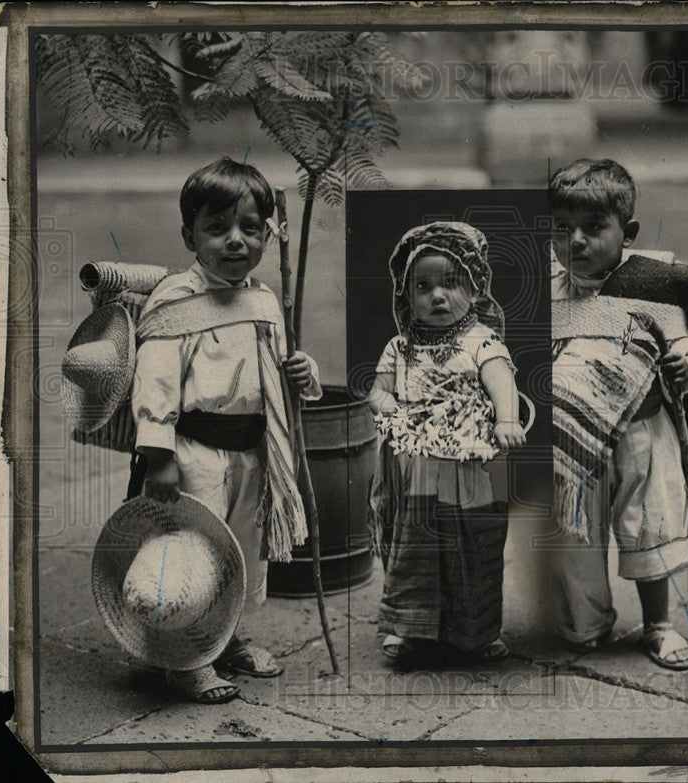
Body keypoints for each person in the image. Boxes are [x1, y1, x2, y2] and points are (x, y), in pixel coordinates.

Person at [132, 157, 323, 702]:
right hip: (196, 453)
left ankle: (227, 637)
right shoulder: (177, 302)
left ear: (268, 233)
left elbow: (276, 372)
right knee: (196, 553)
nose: (235, 241)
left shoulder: (263, 299)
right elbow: (156, 383)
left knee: (241, 551)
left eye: (250, 229)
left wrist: (301, 375)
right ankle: (187, 658)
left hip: (252, 453)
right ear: (189, 234)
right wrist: (159, 456)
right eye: (217, 228)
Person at [549, 158, 688, 670]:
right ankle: (586, 622)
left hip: (640, 432)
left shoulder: (651, 284)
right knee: (573, 530)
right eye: (561, 228)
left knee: (651, 528)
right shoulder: (545, 290)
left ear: (628, 233)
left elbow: (685, 344)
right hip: (571, 440)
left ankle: (659, 625)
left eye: (594, 228)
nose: (575, 241)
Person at [366, 221, 526, 665]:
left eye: (451, 283)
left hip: (466, 464)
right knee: (413, 541)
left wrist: (507, 419)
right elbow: (378, 392)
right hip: (417, 462)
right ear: (406, 295)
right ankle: (408, 627)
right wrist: (392, 413)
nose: (437, 296)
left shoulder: (481, 342)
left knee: (471, 542)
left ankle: (475, 631)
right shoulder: (400, 348)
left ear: (475, 290)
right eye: (423, 286)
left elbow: (500, 380)